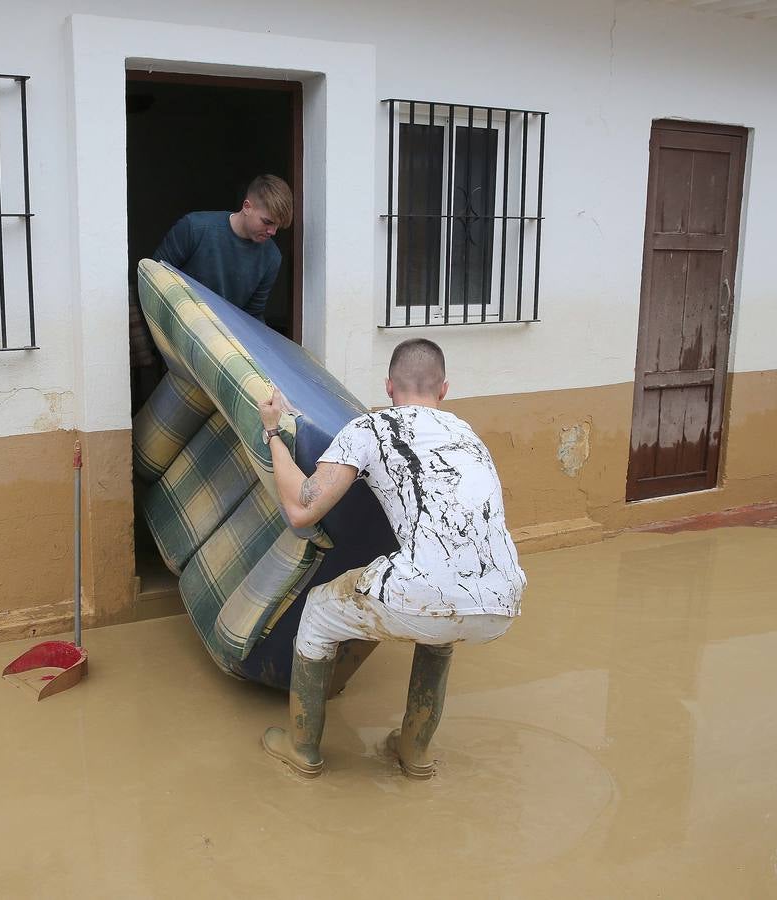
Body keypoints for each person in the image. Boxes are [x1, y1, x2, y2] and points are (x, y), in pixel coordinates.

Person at [256, 338, 526, 779]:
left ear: (387, 387)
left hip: (424, 592)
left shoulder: (372, 429)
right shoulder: (467, 435)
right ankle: (414, 754)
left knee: (317, 611)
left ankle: (302, 748)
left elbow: (302, 509)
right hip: (503, 601)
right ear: (444, 390)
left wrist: (274, 432)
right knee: (439, 630)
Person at [152, 174, 292, 322]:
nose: (273, 231)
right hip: (177, 322)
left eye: (278, 226)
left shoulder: (272, 257)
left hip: (225, 336)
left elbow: (252, 316)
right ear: (247, 207)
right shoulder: (194, 228)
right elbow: (153, 276)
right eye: (267, 222)